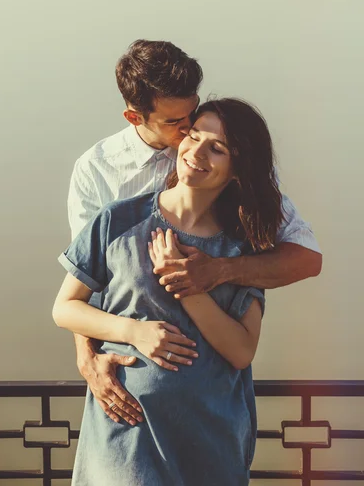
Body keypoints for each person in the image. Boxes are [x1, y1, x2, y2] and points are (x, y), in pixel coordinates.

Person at [54, 98, 317, 485]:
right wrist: (133, 332)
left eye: (218, 149)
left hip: (211, 443)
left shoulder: (242, 248)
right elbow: (66, 308)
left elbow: (242, 351)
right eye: (193, 137)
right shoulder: (118, 219)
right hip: (126, 438)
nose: (197, 152)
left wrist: (189, 287)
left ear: (237, 171)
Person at [67, 40, 322, 426]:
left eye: (192, 113)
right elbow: (85, 279)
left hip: (212, 404)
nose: (189, 131)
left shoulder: (224, 156)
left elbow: (306, 258)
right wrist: (88, 361)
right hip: (129, 398)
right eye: (175, 123)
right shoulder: (96, 172)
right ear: (135, 117)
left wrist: (219, 271)